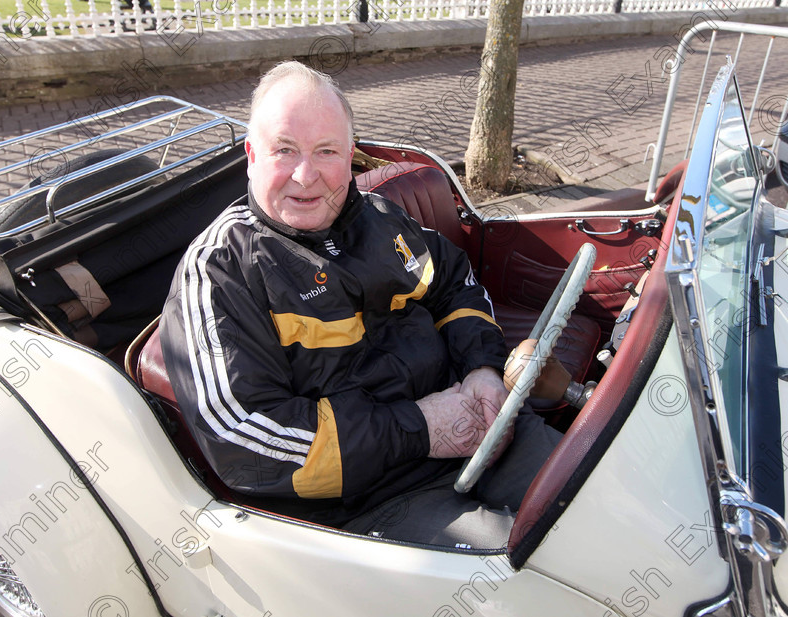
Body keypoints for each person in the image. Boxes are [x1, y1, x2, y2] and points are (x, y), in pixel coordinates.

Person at [160, 61, 561, 548]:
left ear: (350, 155)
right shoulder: (221, 270)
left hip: (482, 431)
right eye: (284, 150)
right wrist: (420, 429)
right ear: (251, 154)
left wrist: (482, 368)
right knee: (531, 570)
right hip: (377, 498)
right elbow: (245, 440)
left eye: (326, 151)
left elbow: (456, 282)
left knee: (609, 499)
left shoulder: (380, 218)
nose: (305, 176)